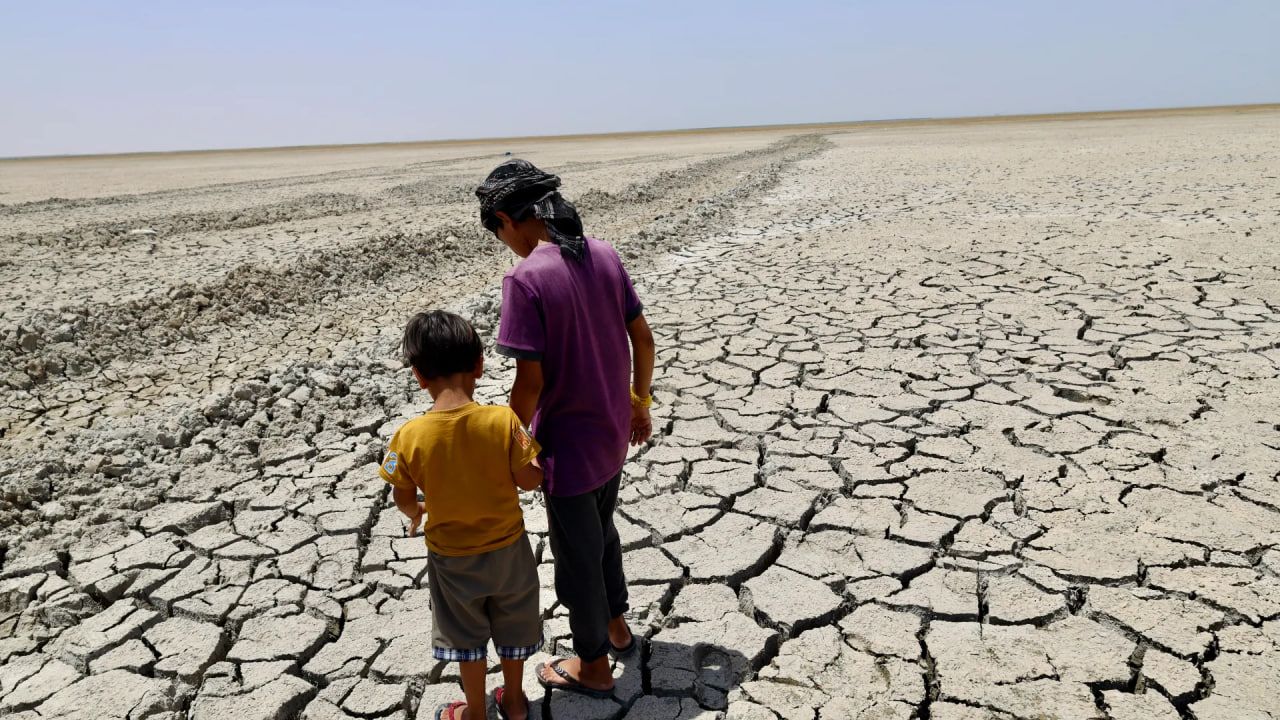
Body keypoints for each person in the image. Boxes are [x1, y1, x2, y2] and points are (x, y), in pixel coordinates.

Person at [475, 160, 656, 699]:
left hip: (569, 449)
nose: (506, 245)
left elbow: (528, 385)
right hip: (610, 434)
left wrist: (514, 448)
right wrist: (639, 403)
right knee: (602, 536)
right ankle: (617, 628)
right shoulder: (603, 253)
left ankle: (593, 666)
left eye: (500, 233)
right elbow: (642, 340)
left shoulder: (527, 278)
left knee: (577, 557)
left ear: (508, 219)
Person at [379, 310, 543, 720]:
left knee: (468, 638)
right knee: (512, 626)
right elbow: (528, 481)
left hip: (452, 560)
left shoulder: (409, 436)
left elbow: (402, 493)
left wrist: (417, 510)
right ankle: (517, 703)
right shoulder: (504, 421)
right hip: (509, 551)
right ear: (479, 365)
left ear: (418, 376)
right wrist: (539, 462)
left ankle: (475, 711)